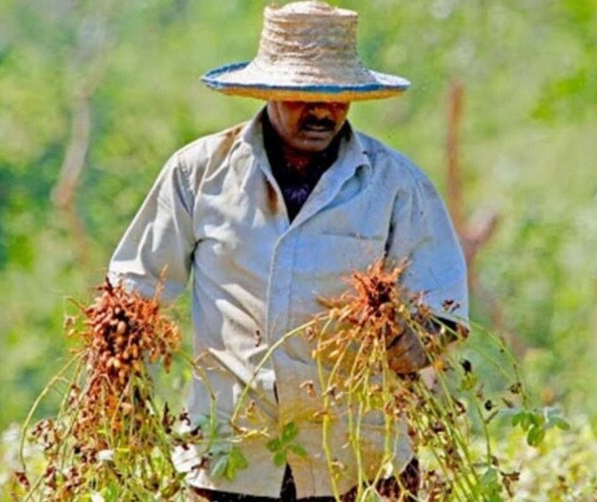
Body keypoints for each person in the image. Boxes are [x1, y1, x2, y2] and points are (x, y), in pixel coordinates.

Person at [107, 2, 468, 500]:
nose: (323, 111)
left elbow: (442, 303)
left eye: (337, 97)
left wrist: (413, 337)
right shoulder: (198, 174)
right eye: (304, 96)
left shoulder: (394, 183)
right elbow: (136, 284)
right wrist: (119, 375)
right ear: (270, 92)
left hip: (358, 459)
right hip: (232, 457)